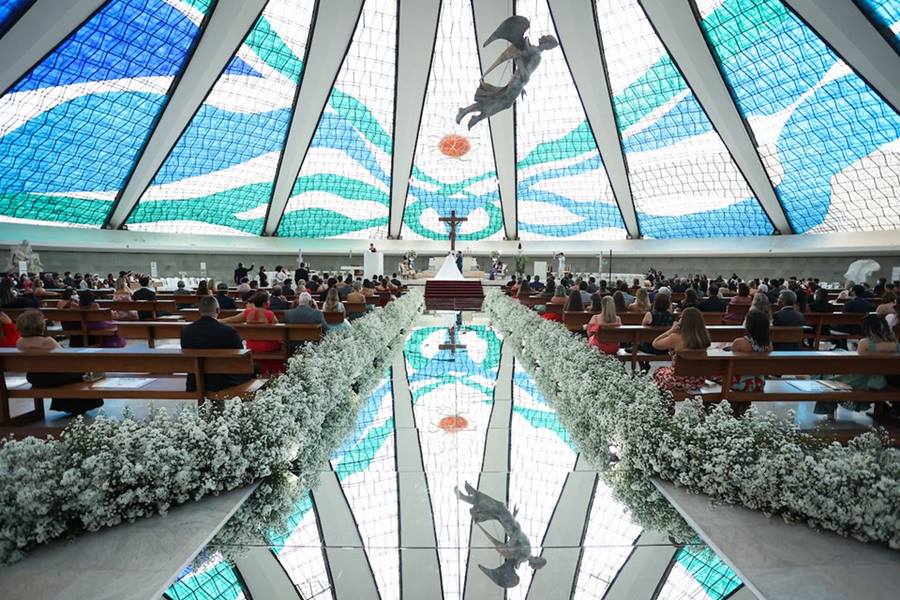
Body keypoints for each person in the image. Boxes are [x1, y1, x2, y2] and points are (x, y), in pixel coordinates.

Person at [15, 309, 102, 414]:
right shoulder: (47, 341)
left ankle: (69, 406)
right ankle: (77, 407)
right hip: (52, 378)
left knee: (67, 374)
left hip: (34, 378)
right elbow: (66, 359)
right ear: (40, 325)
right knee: (82, 373)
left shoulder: (19, 342)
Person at [814, 315, 900, 420]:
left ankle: (829, 413)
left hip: (863, 380)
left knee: (827, 380)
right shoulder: (896, 345)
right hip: (882, 381)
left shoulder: (865, 343)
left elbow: (858, 364)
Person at [180, 297, 252, 391]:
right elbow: (240, 358)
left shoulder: (186, 330)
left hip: (195, 380)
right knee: (254, 368)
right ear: (218, 310)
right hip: (223, 381)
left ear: (199, 311)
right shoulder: (229, 331)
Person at [651, 308, 712, 393]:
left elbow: (655, 344)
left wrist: (670, 330)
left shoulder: (675, 338)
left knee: (658, 372)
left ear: (683, 321)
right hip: (697, 381)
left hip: (678, 380)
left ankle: (664, 402)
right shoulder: (704, 339)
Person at [221, 291, 282, 375]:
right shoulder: (270, 314)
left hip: (252, 345)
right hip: (268, 346)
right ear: (265, 303)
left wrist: (217, 320)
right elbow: (279, 330)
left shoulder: (247, 312)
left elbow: (232, 319)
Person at [726, 309, 773, 416]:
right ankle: (742, 409)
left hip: (739, 384)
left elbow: (731, 365)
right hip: (758, 382)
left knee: (714, 376)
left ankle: (734, 409)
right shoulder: (768, 345)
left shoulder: (739, 343)